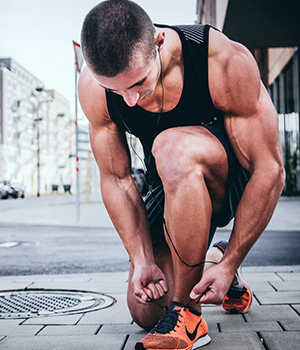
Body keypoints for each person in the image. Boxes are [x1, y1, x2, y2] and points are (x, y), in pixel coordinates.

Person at [79, 1, 285, 349]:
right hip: (169, 182)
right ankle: (211, 260)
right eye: (117, 91)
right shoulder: (94, 87)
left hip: (225, 178)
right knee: (145, 310)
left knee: (172, 147)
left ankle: (189, 318)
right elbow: (116, 179)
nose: (129, 100)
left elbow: (270, 169)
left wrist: (234, 261)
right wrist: (141, 257)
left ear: (159, 42)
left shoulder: (219, 59)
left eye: (139, 82)